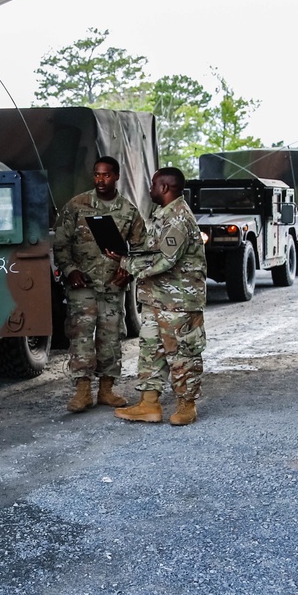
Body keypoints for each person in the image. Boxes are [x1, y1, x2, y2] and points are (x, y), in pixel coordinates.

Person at [107, 167, 207, 426]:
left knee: (182, 353)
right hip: (156, 298)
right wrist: (125, 257)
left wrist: (127, 264)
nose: (150, 189)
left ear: (164, 188)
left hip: (179, 302)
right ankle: (149, 405)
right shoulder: (162, 215)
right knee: (151, 351)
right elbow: (152, 253)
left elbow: (165, 260)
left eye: (153, 184)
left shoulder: (179, 219)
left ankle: (187, 405)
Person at [52, 156, 140, 413]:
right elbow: (60, 243)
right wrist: (70, 270)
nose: (101, 180)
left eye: (106, 175)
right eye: (97, 175)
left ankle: (106, 390)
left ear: (116, 176)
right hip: (83, 286)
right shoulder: (77, 206)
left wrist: (128, 271)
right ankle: (82, 392)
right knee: (80, 336)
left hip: (113, 285)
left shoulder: (128, 211)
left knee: (111, 337)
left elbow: (141, 248)